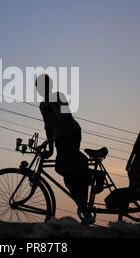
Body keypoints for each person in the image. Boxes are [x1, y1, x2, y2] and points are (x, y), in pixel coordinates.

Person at [35, 74, 91, 221]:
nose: (41, 90)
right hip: (60, 137)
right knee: (65, 168)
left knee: (65, 166)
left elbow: (66, 116)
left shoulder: (58, 96)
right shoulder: (42, 105)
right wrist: (51, 148)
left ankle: (83, 198)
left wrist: (60, 136)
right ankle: (82, 200)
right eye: (39, 87)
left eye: (44, 86)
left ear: (50, 86)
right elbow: (48, 127)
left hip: (71, 133)